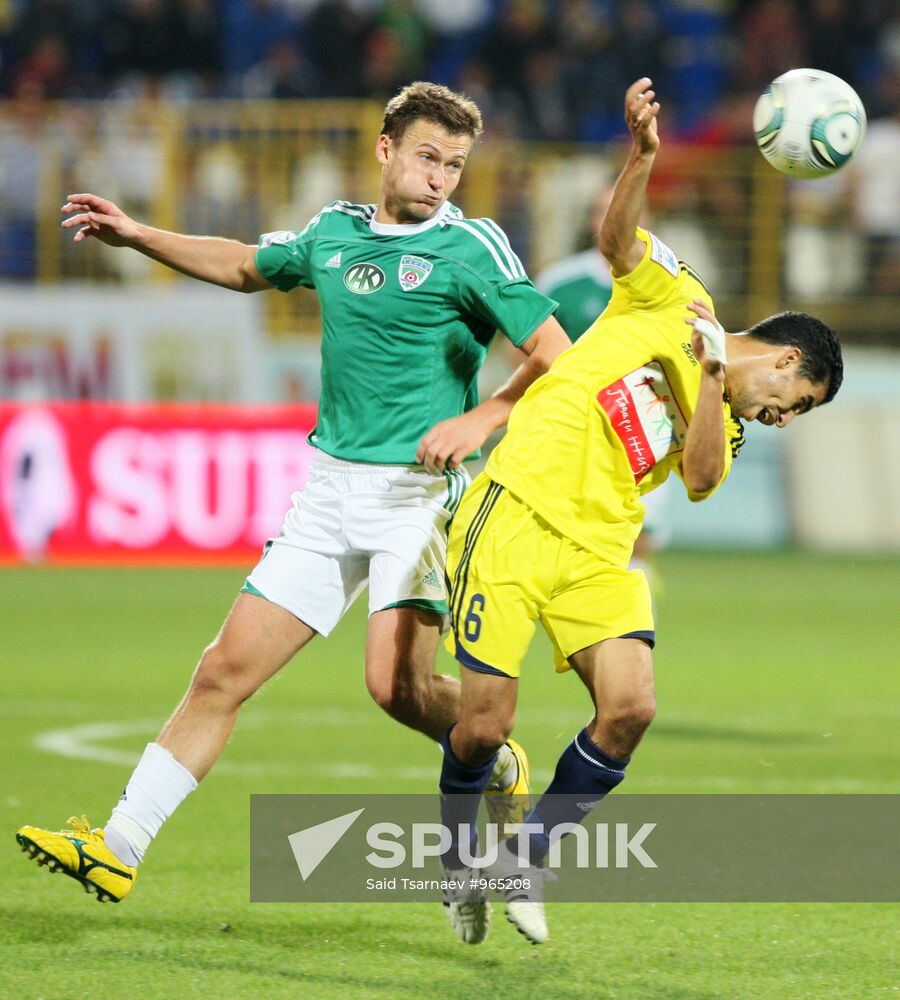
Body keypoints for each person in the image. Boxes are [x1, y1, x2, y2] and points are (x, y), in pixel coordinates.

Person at [15, 82, 571, 917]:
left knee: (396, 690)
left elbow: (556, 353)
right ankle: (118, 847)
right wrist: (137, 236)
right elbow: (244, 265)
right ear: (386, 149)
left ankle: (492, 756)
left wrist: (487, 413)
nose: (440, 179)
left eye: (455, 165)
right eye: (428, 157)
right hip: (327, 493)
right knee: (220, 674)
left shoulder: (472, 247)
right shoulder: (333, 234)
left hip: (417, 497)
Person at [436, 77, 843, 946]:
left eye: (795, 414)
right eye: (792, 396)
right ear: (778, 354)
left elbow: (697, 479)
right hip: (514, 511)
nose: (782, 416)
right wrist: (643, 157)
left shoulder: (726, 424)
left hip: (598, 550)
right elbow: (615, 240)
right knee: (482, 728)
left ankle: (527, 864)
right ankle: (452, 858)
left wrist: (704, 381)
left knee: (631, 707)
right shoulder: (678, 295)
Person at [535, 186, 670, 591]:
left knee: (637, 541)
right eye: (602, 211)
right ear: (594, 221)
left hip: (647, 428)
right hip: (573, 431)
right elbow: (524, 352)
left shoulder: (671, 280)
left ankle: (633, 641)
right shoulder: (562, 281)